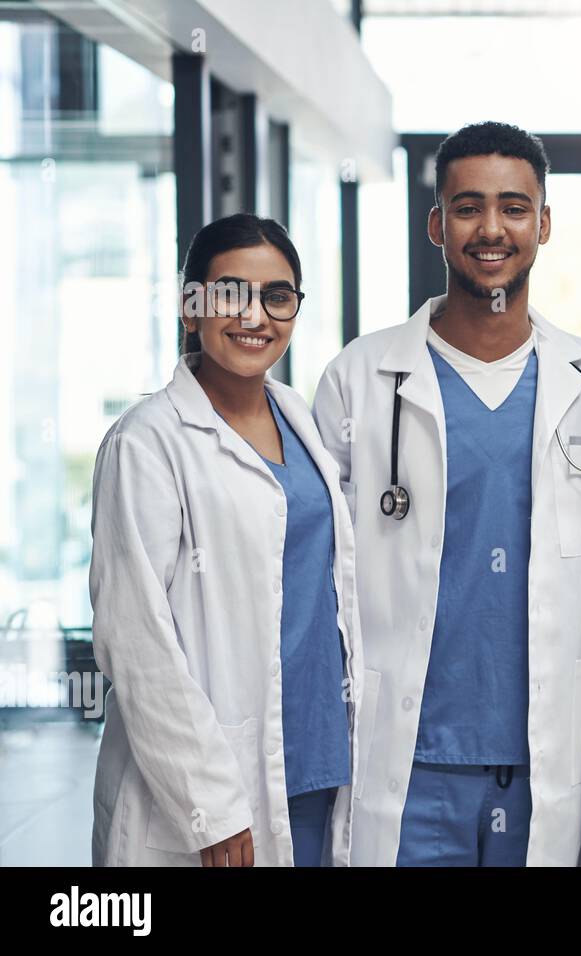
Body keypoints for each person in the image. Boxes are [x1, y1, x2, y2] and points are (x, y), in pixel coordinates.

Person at [312, 122, 581, 867]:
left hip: (544, 759)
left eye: (514, 208)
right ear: (435, 224)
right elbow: (326, 563)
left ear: (543, 224)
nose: (491, 229)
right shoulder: (360, 376)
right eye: (468, 207)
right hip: (407, 760)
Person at [90, 213, 363, 867]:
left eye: (277, 296)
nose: (255, 315)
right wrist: (206, 803)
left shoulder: (299, 416)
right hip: (211, 788)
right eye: (231, 293)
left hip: (317, 763)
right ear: (192, 308)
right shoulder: (148, 441)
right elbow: (136, 640)